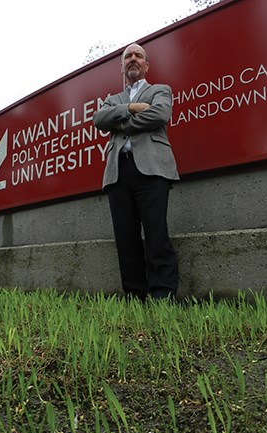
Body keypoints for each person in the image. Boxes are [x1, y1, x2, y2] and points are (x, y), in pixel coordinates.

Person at [93, 42, 179, 300]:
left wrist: (119, 122)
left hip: (152, 170)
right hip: (119, 172)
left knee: (156, 233)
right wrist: (131, 108)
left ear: (146, 65)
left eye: (138, 56)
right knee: (125, 238)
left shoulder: (160, 90)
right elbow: (99, 120)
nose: (133, 59)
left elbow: (160, 115)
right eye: (128, 56)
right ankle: (134, 295)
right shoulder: (113, 99)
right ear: (121, 65)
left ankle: (162, 295)